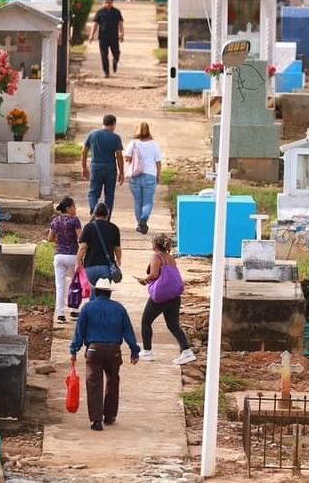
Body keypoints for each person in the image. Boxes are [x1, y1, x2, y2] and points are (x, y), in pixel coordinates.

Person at [69, 277, 140, 431]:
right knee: (113, 381)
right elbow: (128, 332)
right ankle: (110, 415)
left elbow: (79, 332)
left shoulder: (87, 308)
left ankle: (96, 420)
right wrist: (135, 351)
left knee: (94, 384)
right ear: (109, 294)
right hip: (114, 351)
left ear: (96, 291)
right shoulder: (119, 309)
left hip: (94, 350)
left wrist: (74, 350)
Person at [136, 234, 196, 365]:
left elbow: (154, 274)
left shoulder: (156, 257)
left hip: (161, 296)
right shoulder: (170, 258)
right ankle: (187, 352)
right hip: (174, 296)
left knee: (146, 321)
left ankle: (147, 351)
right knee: (173, 325)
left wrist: (143, 280)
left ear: (155, 245)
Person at [77, 202, 121, 314]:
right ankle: (103, 315)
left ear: (95, 213)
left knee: (93, 293)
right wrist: (118, 261)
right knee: (104, 294)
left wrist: (78, 262)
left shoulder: (88, 227)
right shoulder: (114, 228)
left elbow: (82, 248)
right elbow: (117, 249)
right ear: (107, 214)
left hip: (90, 267)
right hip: (107, 267)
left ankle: (92, 315)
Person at [82, 114, 124, 218]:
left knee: (93, 193)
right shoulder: (116, 137)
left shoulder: (93, 134)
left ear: (103, 123)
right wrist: (122, 172)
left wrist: (84, 167)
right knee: (109, 195)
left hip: (96, 167)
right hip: (110, 168)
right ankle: (106, 218)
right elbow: (119, 156)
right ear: (114, 124)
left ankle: (94, 211)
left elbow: (84, 151)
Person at [124, 122, 162, 235]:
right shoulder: (154, 144)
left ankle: (139, 224)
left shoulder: (133, 143)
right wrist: (158, 175)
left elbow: (127, 158)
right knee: (148, 202)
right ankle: (143, 220)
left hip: (135, 175)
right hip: (150, 175)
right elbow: (158, 162)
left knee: (137, 202)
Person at [49, 197, 82, 323]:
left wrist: (60, 240)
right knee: (75, 284)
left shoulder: (55, 221)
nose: (75, 209)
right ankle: (74, 311)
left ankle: (60, 314)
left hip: (59, 256)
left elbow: (50, 238)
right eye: (74, 206)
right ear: (68, 208)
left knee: (60, 285)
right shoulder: (75, 221)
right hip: (73, 255)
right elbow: (80, 238)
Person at [90, 0, 124, 78]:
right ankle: (106, 71)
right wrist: (91, 35)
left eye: (110, 2)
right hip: (103, 37)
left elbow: (120, 23)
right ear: (104, 3)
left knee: (116, 52)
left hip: (114, 36)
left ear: (112, 3)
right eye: (106, 2)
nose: (108, 4)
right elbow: (95, 24)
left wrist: (122, 33)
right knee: (104, 54)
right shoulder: (100, 12)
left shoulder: (116, 12)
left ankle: (115, 62)